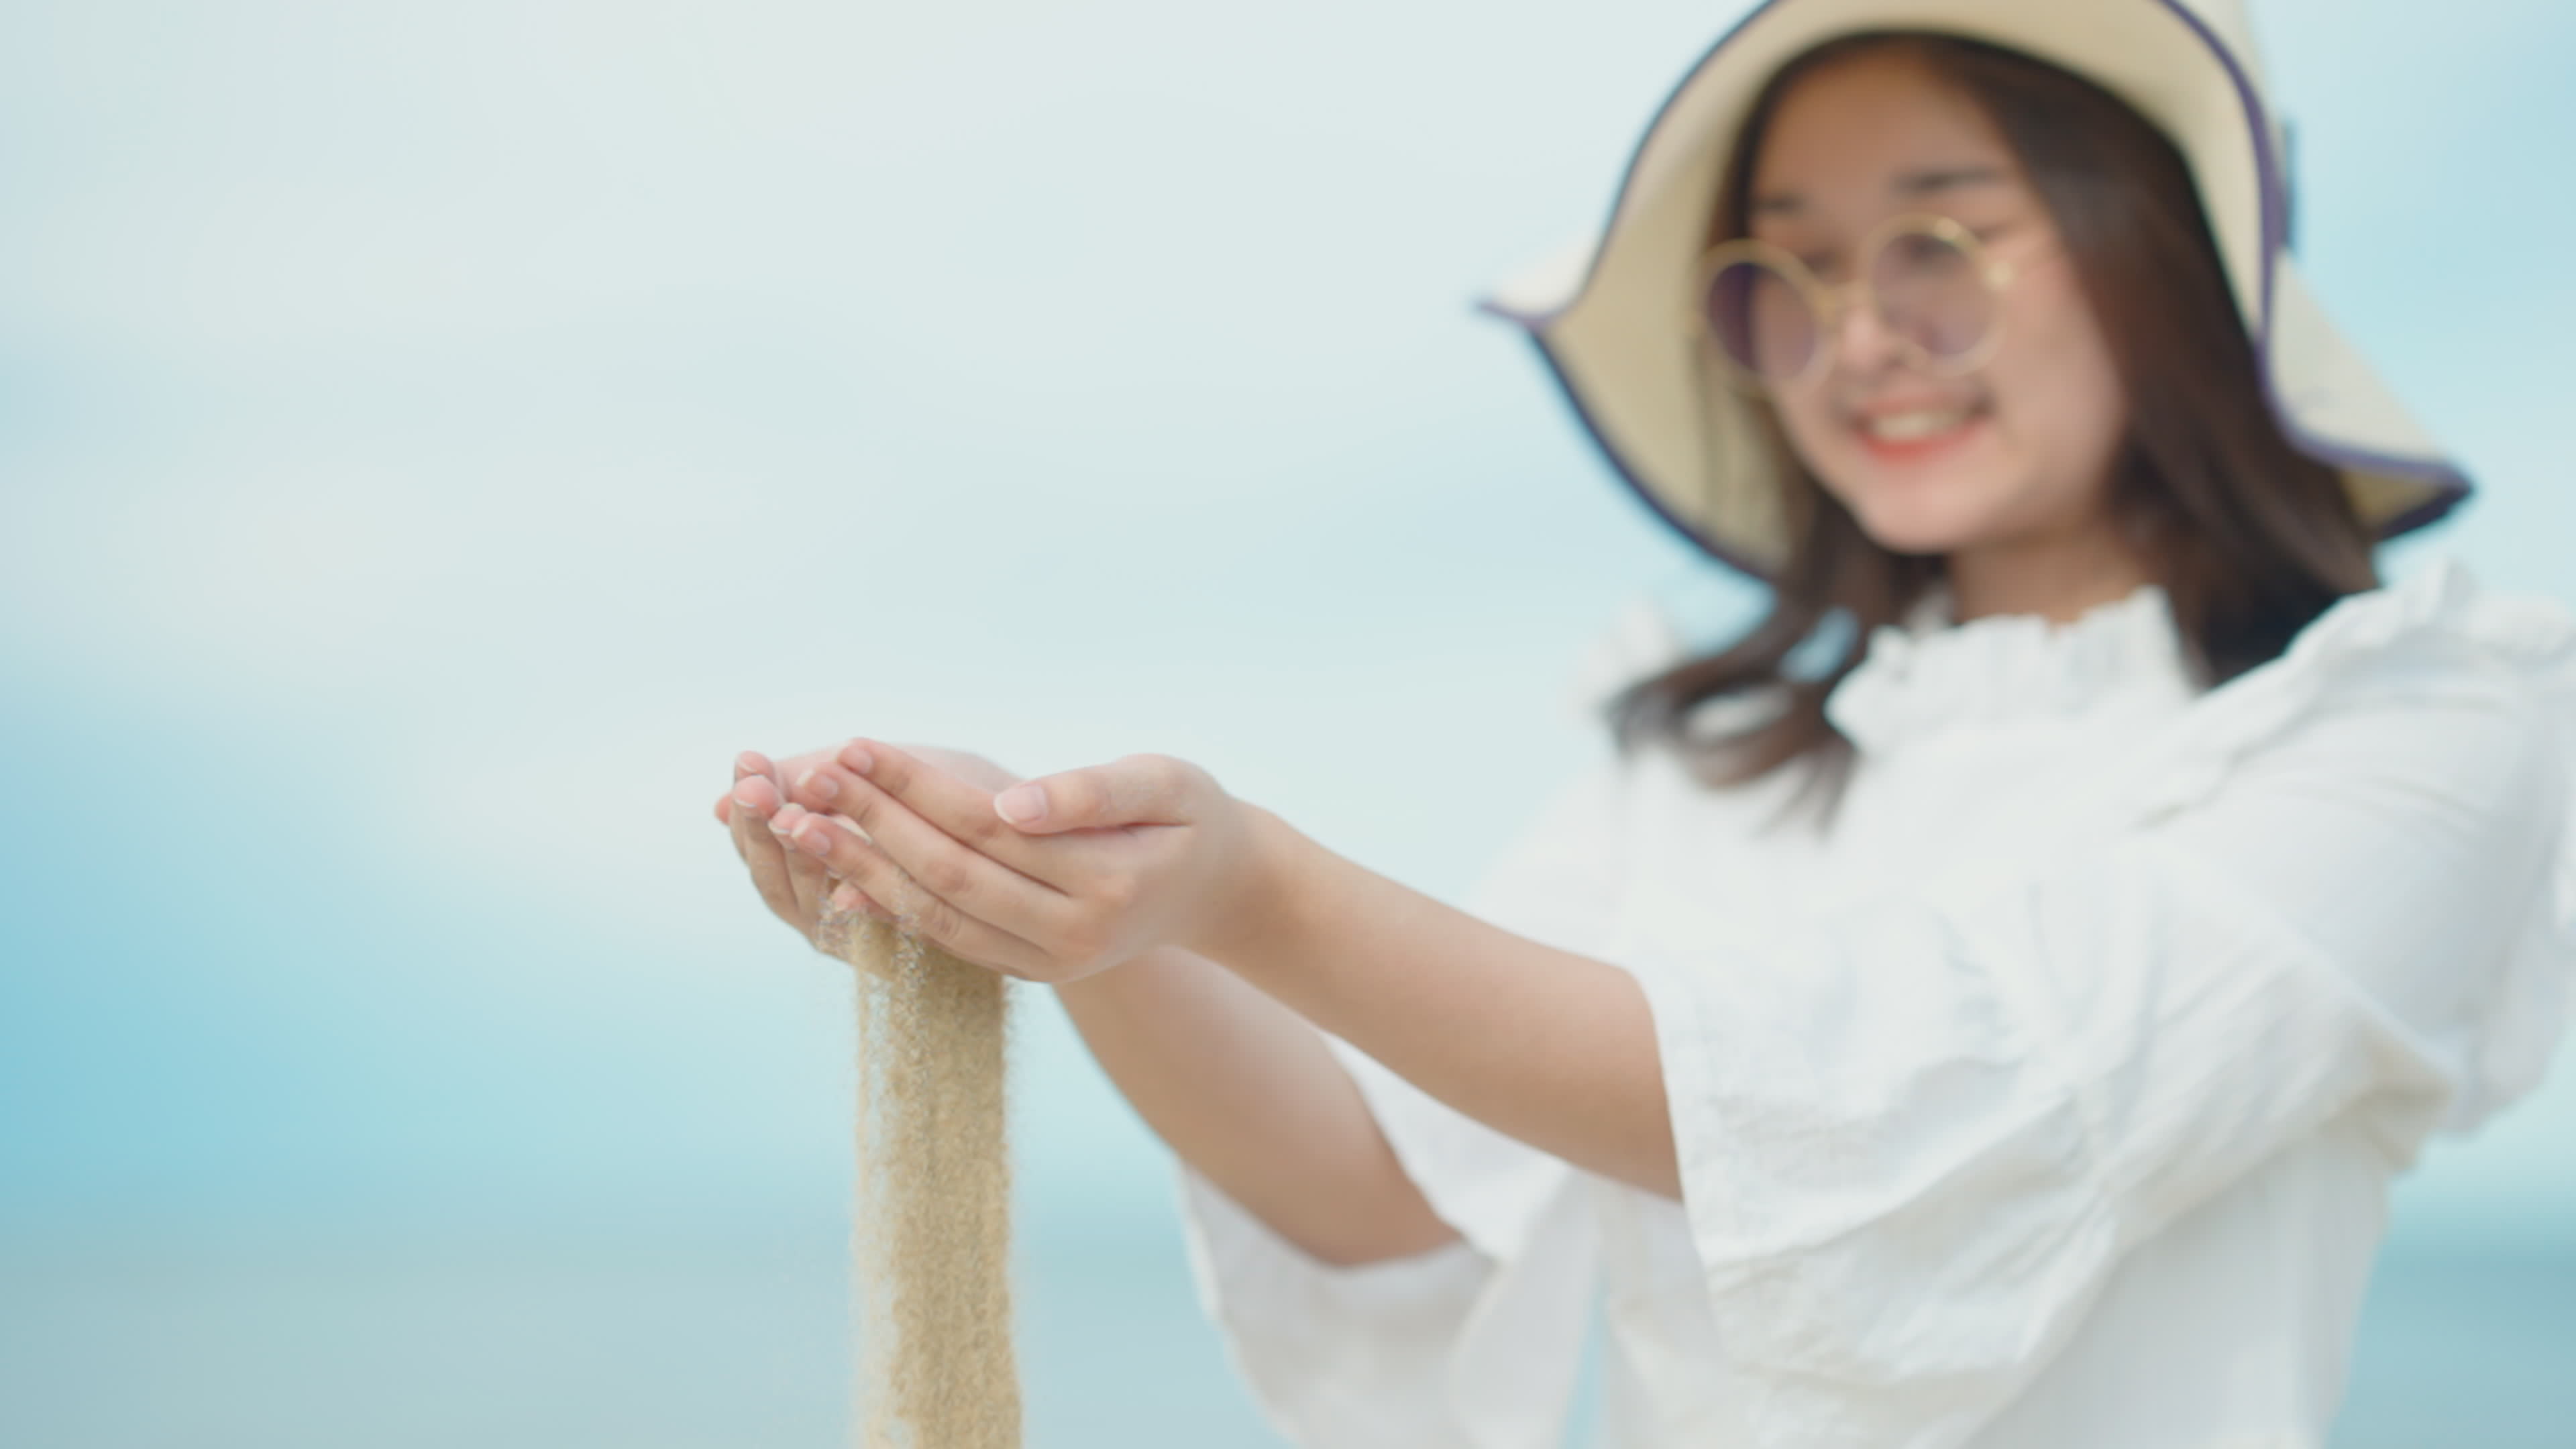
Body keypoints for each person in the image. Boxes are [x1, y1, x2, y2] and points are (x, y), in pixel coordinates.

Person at [713, 1, 2576, 1443]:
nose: (1858, 337)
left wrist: (1255, 885)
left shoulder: (2427, 725)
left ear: (2154, 250)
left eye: (1943, 240)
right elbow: (1387, 1200)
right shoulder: (1703, 760)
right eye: (1796, 270)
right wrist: (1072, 899)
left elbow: (1936, 1087)